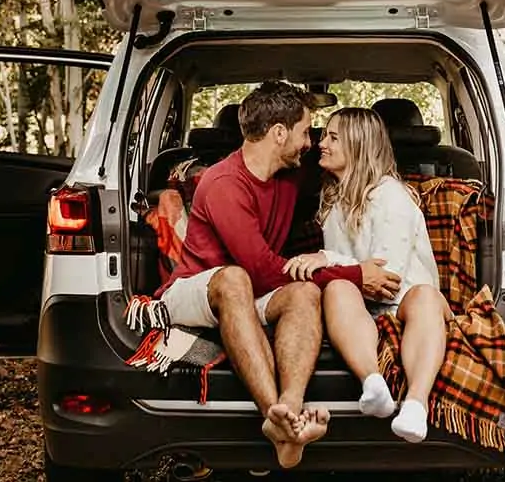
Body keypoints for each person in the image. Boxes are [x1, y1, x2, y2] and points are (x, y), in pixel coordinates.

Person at [152, 83, 403, 468]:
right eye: (306, 132)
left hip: (251, 289)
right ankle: (275, 419)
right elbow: (262, 271)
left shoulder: (292, 175)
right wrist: (354, 274)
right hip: (195, 288)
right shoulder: (222, 184)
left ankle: (290, 409)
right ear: (279, 133)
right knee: (235, 278)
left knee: (304, 292)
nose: (311, 143)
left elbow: (353, 170)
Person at [282, 107, 450, 443]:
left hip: (404, 297)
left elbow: (388, 279)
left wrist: (325, 258)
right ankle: (373, 384)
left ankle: (416, 405)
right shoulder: (333, 198)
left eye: (332, 137)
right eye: (322, 136)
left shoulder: (391, 195)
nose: (321, 144)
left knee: (426, 297)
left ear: (358, 145)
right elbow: (356, 277)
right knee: (336, 289)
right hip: (362, 302)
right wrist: (332, 267)